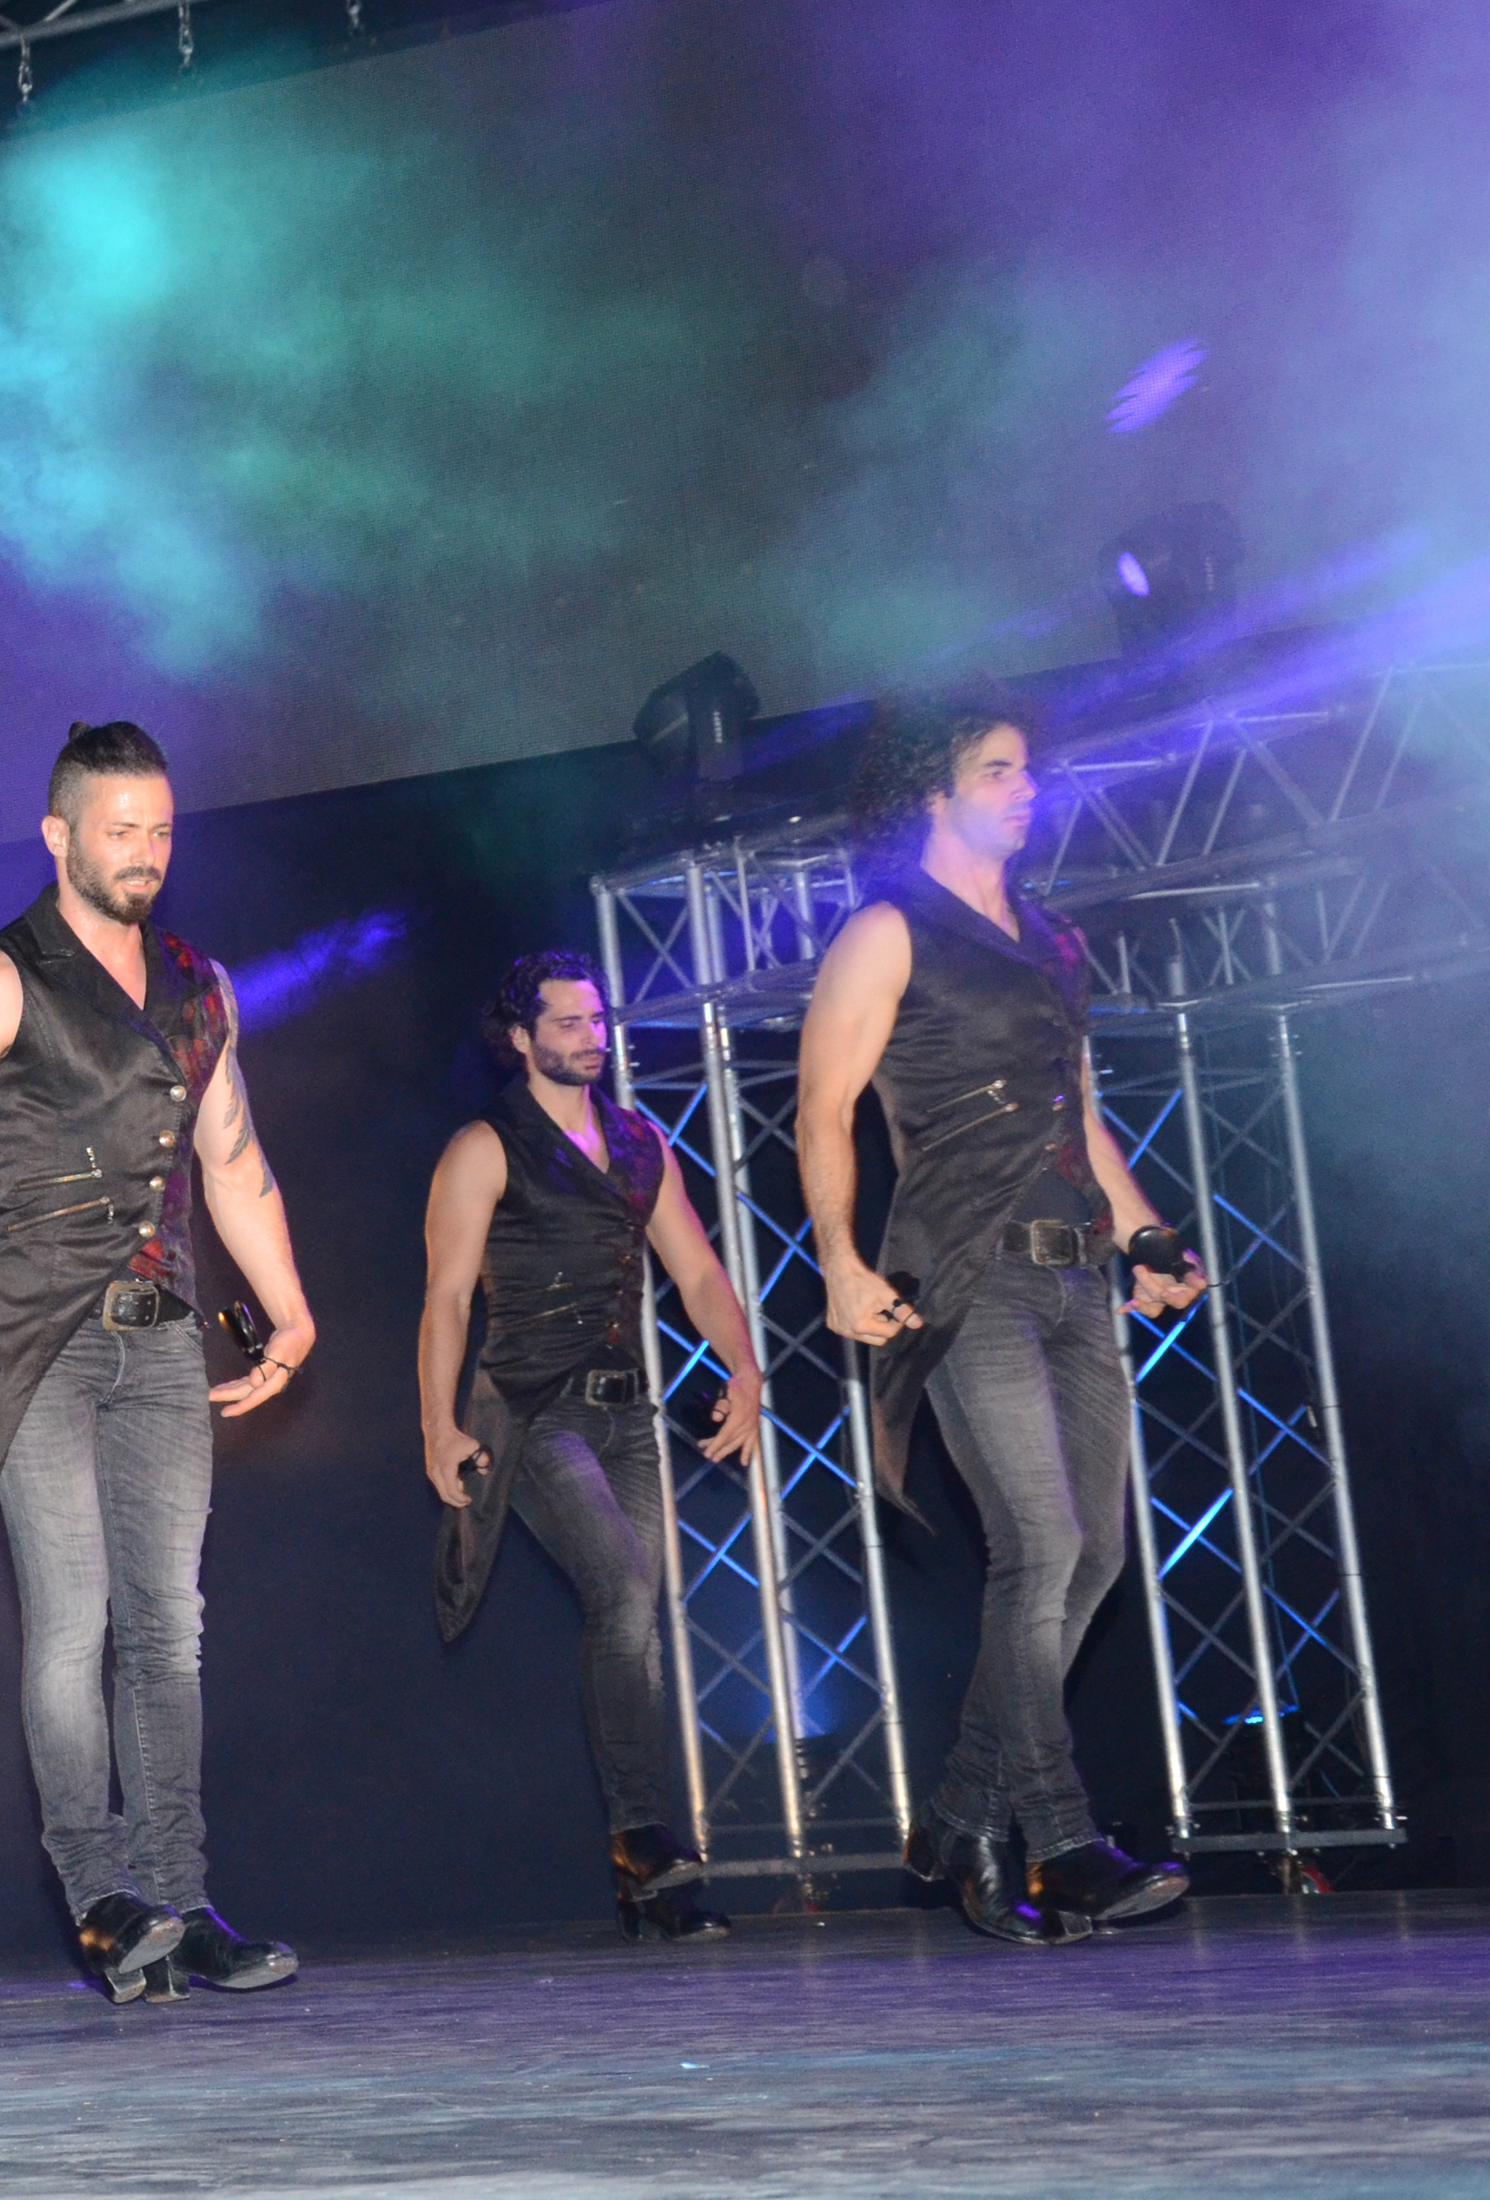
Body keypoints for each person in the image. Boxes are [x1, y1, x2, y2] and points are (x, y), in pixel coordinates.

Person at [0, 721, 318, 2005]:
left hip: (164, 1338)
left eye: (161, 830)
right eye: (120, 831)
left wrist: (290, 1312)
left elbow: (231, 1160)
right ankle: (103, 1898)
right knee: (73, 1621)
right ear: (58, 834)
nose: (145, 852)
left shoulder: (201, 985)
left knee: (168, 1629)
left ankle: (180, 1898)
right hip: (32, 1341)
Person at [794, 689, 1207, 1947]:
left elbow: (1078, 1117)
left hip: (1076, 1275)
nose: (1028, 787)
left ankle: (962, 1814)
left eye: (1030, 768)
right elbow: (823, 1107)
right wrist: (839, 1259)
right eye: (999, 769)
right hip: (966, 1276)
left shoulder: (1051, 939)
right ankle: (1062, 1840)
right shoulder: (887, 930)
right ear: (932, 791)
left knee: (1096, 1556)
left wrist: (1145, 1237)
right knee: (1040, 1540)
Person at [417, 951, 762, 1942]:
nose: (590, 1037)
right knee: (622, 1588)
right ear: (520, 1038)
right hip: (534, 1413)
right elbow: (447, 1299)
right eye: (567, 1022)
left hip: (627, 1415)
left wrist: (744, 1369)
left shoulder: (639, 1141)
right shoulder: (486, 1147)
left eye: (597, 1019)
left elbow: (698, 1271)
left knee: (638, 1618)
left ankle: (650, 1876)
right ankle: (643, 1837)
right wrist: (438, 1423)